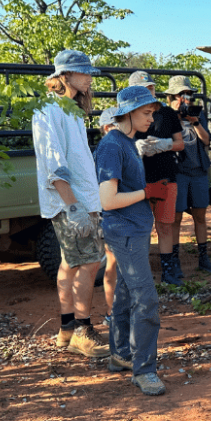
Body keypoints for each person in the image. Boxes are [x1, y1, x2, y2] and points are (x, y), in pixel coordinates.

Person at [32, 49, 109, 358]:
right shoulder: (48, 109)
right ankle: (82, 331)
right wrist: (74, 206)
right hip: (70, 203)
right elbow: (53, 161)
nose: (89, 76)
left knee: (70, 263)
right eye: (83, 72)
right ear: (64, 76)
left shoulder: (72, 109)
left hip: (81, 200)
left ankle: (66, 329)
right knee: (89, 264)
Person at [95, 85, 166, 396]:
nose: (151, 119)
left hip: (132, 229)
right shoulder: (113, 146)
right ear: (128, 113)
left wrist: (146, 195)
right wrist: (148, 192)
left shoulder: (127, 141)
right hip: (123, 229)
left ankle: (121, 354)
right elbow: (107, 200)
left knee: (125, 293)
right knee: (146, 299)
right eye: (146, 113)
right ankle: (144, 369)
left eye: (152, 113)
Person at [128, 70, 185, 286]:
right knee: (141, 227)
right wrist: (136, 148)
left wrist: (165, 145)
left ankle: (168, 272)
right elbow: (118, 143)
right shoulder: (128, 115)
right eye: (143, 89)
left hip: (165, 177)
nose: (148, 92)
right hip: (138, 179)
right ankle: (140, 274)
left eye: (150, 88)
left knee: (165, 225)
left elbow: (180, 143)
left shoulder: (168, 114)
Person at [167, 75, 211, 275]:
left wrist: (196, 122)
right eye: (181, 94)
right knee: (176, 218)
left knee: (200, 216)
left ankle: (203, 258)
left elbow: (207, 141)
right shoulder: (167, 115)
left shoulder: (197, 114)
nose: (185, 98)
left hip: (198, 171)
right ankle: (174, 260)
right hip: (179, 172)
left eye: (188, 94)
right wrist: (175, 116)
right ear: (172, 96)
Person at [97, 107, 119, 328]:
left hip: (127, 213)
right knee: (113, 263)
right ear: (107, 128)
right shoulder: (107, 151)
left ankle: (118, 311)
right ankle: (113, 312)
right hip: (113, 214)